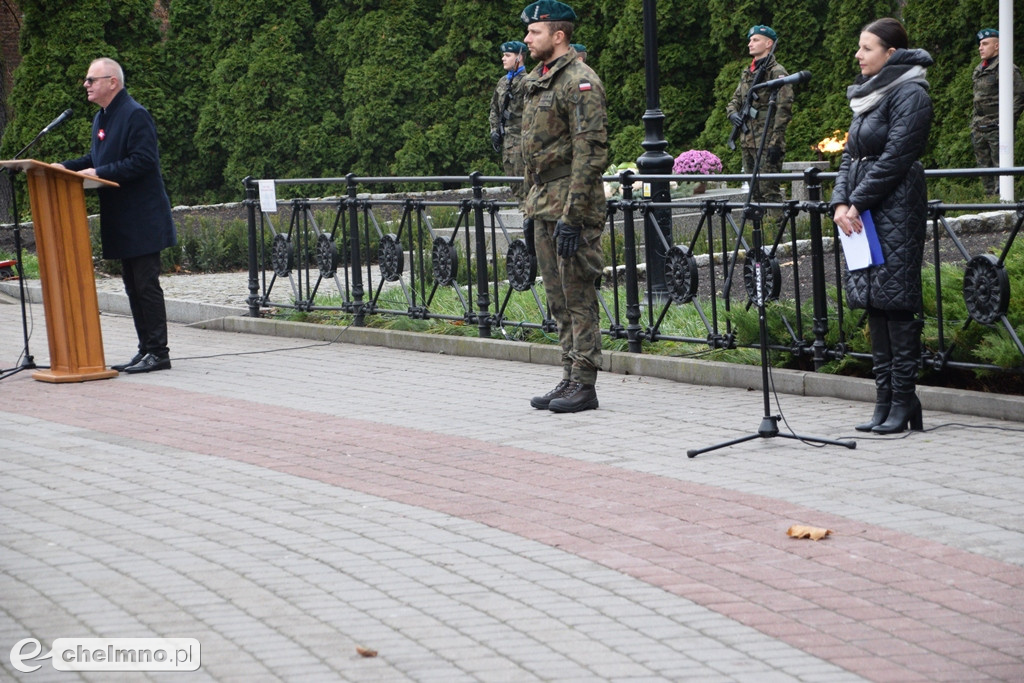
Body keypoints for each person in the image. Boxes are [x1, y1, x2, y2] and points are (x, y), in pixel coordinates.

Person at [831, 18, 933, 434]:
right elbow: (848, 156)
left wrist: (856, 201)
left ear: (891, 54)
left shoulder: (911, 92)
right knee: (874, 303)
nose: (858, 55)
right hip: (863, 210)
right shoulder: (868, 96)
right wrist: (839, 202)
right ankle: (884, 402)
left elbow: (896, 157)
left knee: (896, 302)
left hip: (895, 207)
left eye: (866, 48)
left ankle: (904, 401)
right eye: (859, 47)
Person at [53, 58, 176, 374]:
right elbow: (94, 158)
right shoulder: (102, 117)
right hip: (121, 218)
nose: (86, 84)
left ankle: (159, 353)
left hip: (143, 217)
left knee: (146, 285)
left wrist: (100, 171)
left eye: (91, 79)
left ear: (113, 82)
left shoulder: (135, 114)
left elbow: (144, 161)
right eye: (87, 80)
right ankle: (145, 348)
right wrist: (66, 167)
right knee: (132, 287)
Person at [520, 0, 608, 413]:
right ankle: (568, 375)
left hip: (573, 207)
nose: (526, 39)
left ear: (558, 35)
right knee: (557, 299)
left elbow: (589, 153)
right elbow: (532, 155)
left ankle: (585, 384)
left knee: (578, 296)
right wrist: (530, 209)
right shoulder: (541, 80)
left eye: (533, 32)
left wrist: (573, 218)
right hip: (544, 206)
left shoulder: (580, 81)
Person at [725, 25, 793, 207]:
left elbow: (784, 109)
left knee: (769, 192)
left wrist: (776, 142)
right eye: (750, 40)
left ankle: (779, 233)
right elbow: (735, 99)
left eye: (755, 40)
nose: (750, 44)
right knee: (754, 195)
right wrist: (732, 114)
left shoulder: (776, 72)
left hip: (767, 140)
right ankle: (759, 234)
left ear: (768, 43)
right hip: (748, 140)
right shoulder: (749, 72)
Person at [970, 28, 1024, 195]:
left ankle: (1004, 211)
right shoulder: (980, 69)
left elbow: (1019, 97)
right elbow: (978, 99)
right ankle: (989, 208)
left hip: (997, 130)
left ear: (997, 46)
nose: (981, 48)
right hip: (980, 129)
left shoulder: (1006, 68)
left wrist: (1005, 124)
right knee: (985, 177)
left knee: (1002, 178)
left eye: (985, 44)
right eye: (980, 44)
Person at [489, 40, 529, 206]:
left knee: (526, 188)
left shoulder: (527, 82)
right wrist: (494, 131)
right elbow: (494, 109)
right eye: (503, 55)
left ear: (519, 57)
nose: (503, 59)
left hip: (522, 144)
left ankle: (529, 225)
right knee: (515, 186)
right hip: (507, 144)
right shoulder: (503, 82)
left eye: (507, 55)